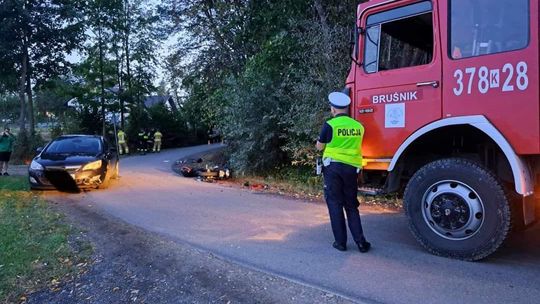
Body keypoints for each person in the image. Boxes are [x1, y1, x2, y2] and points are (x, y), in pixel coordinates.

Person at [316, 92, 371, 253]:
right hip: (351, 169)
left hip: (333, 168)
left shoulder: (330, 125)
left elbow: (320, 146)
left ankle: (340, 243)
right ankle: (361, 242)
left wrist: (319, 144)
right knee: (351, 205)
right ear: (347, 108)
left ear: (333, 109)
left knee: (334, 203)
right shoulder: (358, 126)